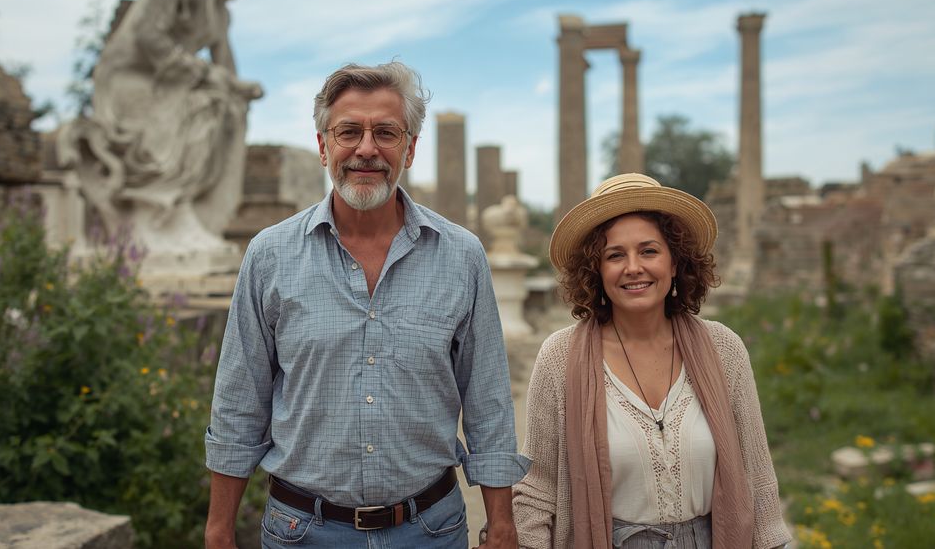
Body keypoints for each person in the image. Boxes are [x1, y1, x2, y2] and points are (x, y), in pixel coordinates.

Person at [204, 61, 529, 549]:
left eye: (386, 133)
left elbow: (487, 400)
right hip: (302, 532)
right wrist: (218, 531)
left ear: (410, 149)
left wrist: (501, 523)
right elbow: (239, 401)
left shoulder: (462, 256)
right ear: (324, 146)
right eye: (349, 131)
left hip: (430, 531)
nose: (366, 149)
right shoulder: (269, 256)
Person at [512, 174, 791, 549]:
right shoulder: (559, 359)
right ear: (596, 270)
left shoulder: (724, 349)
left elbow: (758, 476)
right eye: (615, 255)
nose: (633, 267)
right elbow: (538, 489)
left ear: (675, 263)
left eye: (648, 251)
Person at [61, 0, 263, 252]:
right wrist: (200, 71)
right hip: (130, 79)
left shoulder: (220, 15)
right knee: (205, 107)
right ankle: (159, 209)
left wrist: (241, 88)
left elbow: (224, 66)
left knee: (229, 108)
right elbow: (147, 34)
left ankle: (184, 207)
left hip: (171, 83)